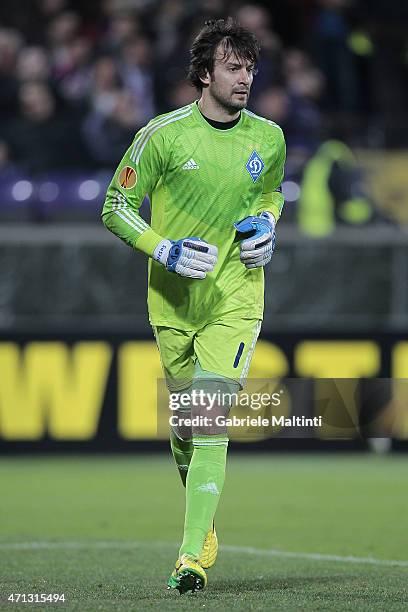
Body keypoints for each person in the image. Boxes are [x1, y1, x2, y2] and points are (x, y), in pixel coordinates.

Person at [101, 17, 286, 594]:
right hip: (172, 301)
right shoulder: (162, 136)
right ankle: (201, 523)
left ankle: (191, 555)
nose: (245, 78)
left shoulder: (269, 139)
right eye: (233, 67)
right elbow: (115, 206)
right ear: (204, 74)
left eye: (250, 68)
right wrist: (166, 250)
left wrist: (269, 223)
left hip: (236, 297)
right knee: (186, 424)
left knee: (209, 420)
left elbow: (270, 193)